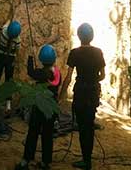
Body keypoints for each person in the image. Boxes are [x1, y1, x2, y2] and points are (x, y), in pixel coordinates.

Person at [59, 23, 105, 170]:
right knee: (89, 125)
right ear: (91, 36)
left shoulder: (74, 53)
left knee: (82, 125)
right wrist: (92, 81)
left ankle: (85, 160)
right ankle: (87, 159)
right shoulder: (98, 52)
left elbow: (68, 77)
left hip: (80, 92)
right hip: (92, 92)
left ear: (79, 36)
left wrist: (61, 95)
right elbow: (102, 75)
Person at [14, 44, 61, 170]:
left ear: (41, 59)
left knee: (33, 133)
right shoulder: (57, 73)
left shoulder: (40, 74)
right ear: (54, 59)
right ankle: (46, 163)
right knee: (47, 135)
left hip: (39, 107)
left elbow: (30, 71)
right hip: (50, 108)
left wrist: (30, 56)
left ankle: (25, 161)